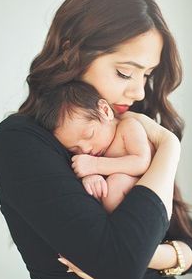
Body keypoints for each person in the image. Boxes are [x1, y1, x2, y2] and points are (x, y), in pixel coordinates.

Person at [0, 0, 192, 279]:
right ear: (72, 52)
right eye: (124, 72)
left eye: (147, 74)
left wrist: (151, 255)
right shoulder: (21, 140)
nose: (138, 92)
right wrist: (166, 149)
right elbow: (122, 267)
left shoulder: (133, 128)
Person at [51, 80, 155, 213]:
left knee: (116, 183)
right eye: (73, 149)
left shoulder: (127, 127)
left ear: (105, 111)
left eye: (89, 135)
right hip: (115, 209)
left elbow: (142, 162)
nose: (85, 150)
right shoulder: (90, 153)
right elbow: (87, 169)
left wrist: (95, 165)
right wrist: (91, 176)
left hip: (147, 186)